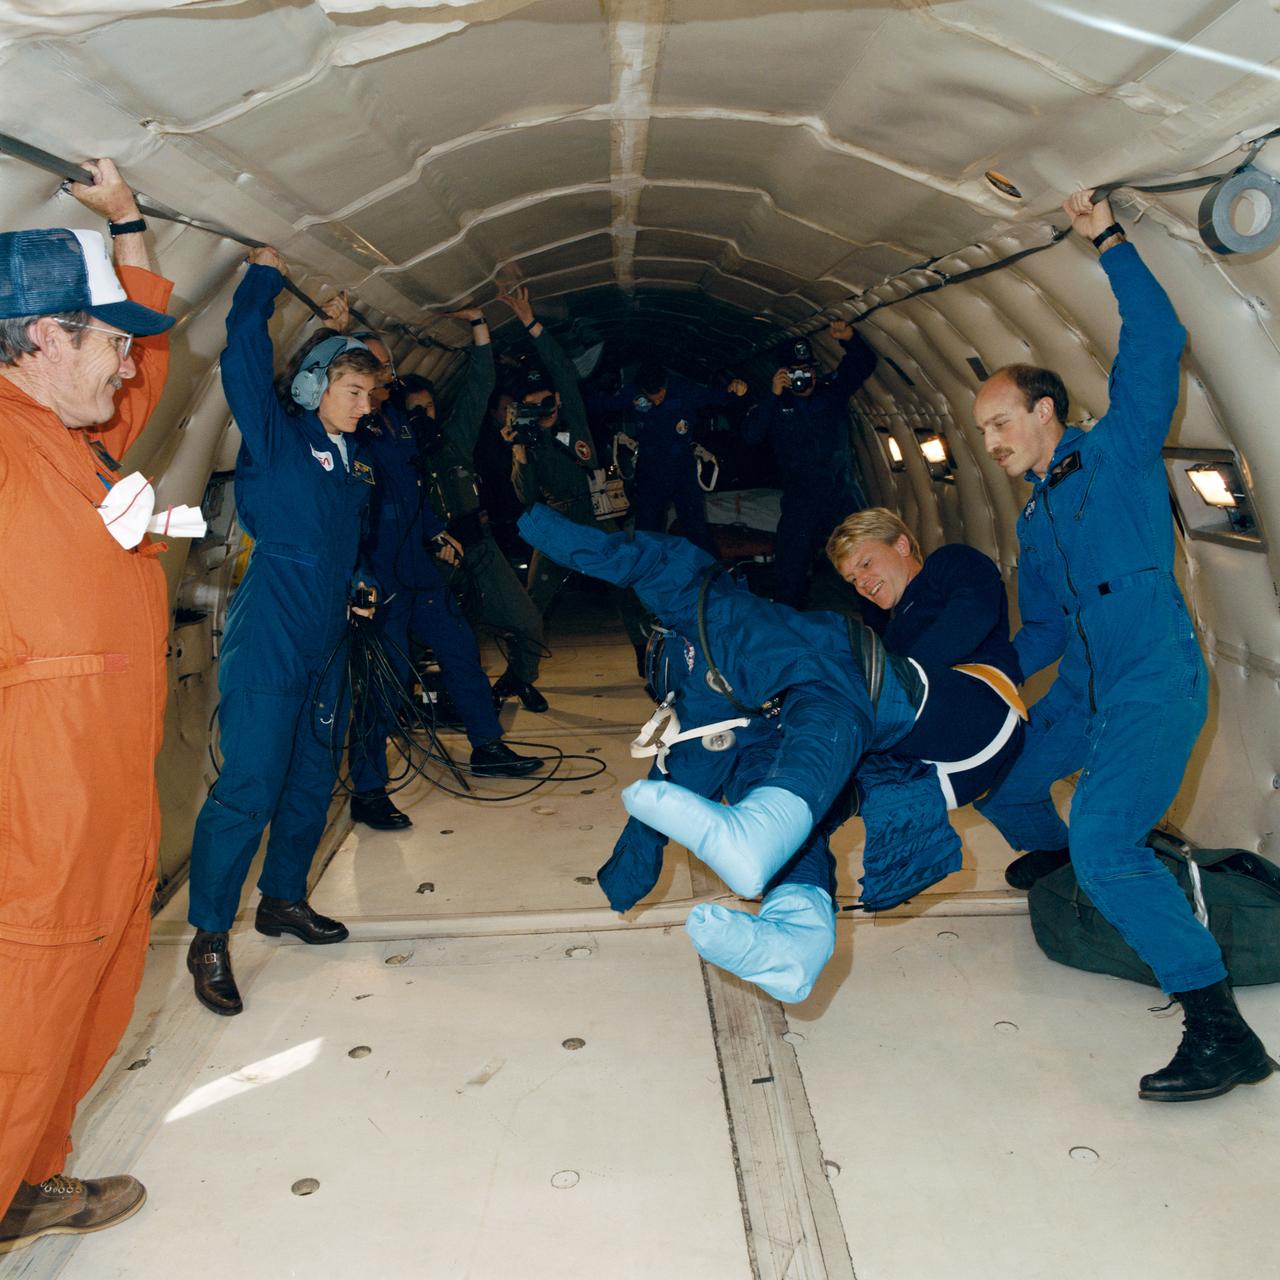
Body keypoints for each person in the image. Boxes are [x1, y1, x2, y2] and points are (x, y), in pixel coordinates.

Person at [973, 188, 1273, 1102]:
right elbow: (1043, 634)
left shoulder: (1119, 452)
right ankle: (1087, 889)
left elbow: (1156, 340)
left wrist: (1106, 239)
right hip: (1085, 697)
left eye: (998, 424)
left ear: (1047, 411)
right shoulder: (1037, 519)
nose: (988, 443)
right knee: (1007, 778)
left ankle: (1220, 1031)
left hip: (1152, 684)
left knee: (1106, 842)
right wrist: (966, 686)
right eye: (981, 430)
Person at [516, 503, 1025, 1003]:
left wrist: (872, 676)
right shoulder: (886, 627)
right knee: (772, 759)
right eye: (850, 578)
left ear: (902, 543)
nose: (861, 582)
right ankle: (794, 933)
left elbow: (973, 615)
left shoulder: (950, 565)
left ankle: (768, 824)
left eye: (866, 564)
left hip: (978, 713)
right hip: (913, 768)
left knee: (826, 664)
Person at [0, 160, 174, 1251]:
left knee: (87, 995)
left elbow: (146, 350)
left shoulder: (75, 438)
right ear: (44, 338)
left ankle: (28, 1180)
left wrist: (127, 223)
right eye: (105, 337)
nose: (129, 357)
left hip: (106, 788)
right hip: (41, 789)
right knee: (25, 1004)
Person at [185, 248, 384, 1017]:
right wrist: (263, 280)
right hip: (271, 633)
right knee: (249, 786)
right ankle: (208, 935)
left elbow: (344, 550)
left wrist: (360, 583)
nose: (365, 405)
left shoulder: (353, 464)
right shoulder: (276, 435)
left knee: (310, 779)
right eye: (354, 390)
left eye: (371, 394)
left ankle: (282, 900)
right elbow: (242, 346)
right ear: (316, 386)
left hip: (328, 639)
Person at [347, 323, 541, 833]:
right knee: (384, 686)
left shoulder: (396, 422)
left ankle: (488, 747)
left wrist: (436, 531)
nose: (382, 376)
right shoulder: (350, 430)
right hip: (380, 576)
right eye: (371, 369)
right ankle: (368, 790)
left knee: (461, 654)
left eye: (383, 368)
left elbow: (412, 492)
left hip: (418, 568)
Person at [394, 333, 549, 713]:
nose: (423, 417)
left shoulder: (455, 440)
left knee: (527, 621)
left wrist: (480, 329)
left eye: (427, 408)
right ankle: (404, 697)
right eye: (414, 411)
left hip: (478, 547)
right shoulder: (394, 457)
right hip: (433, 559)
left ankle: (518, 678)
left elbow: (480, 386)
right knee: (416, 633)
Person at [496, 287, 650, 657]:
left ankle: (647, 653)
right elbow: (526, 497)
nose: (543, 411)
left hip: (594, 515)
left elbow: (563, 371)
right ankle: (522, 672)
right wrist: (519, 452)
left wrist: (530, 322)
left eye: (548, 403)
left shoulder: (573, 421)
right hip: (557, 520)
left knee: (626, 584)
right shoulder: (527, 442)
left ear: (559, 400)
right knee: (533, 601)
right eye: (534, 407)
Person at [744, 322, 877, 606]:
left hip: (841, 494)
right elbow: (751, 436)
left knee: (866, 560)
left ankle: (878, 631)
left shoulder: (832, 391)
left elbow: (863, 363)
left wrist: (850, 339)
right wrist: (773, 396)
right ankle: (789, 629)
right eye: (797, 372)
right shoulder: (775, 406)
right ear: (784, 374)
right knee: (790, 571)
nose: (806, 377)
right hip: (801, 501)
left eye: (809, 370)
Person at [588, 361, 748, 555]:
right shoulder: (632, 394)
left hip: (681, 470)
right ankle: (647, 577)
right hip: (650, 472)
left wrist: (735, 389)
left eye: (660, 396)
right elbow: (600, 404)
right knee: (646, 532)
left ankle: (708, 576)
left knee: (696, 530)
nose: (656, 402)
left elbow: (718, 396)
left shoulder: (685, 391)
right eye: (651, 398)